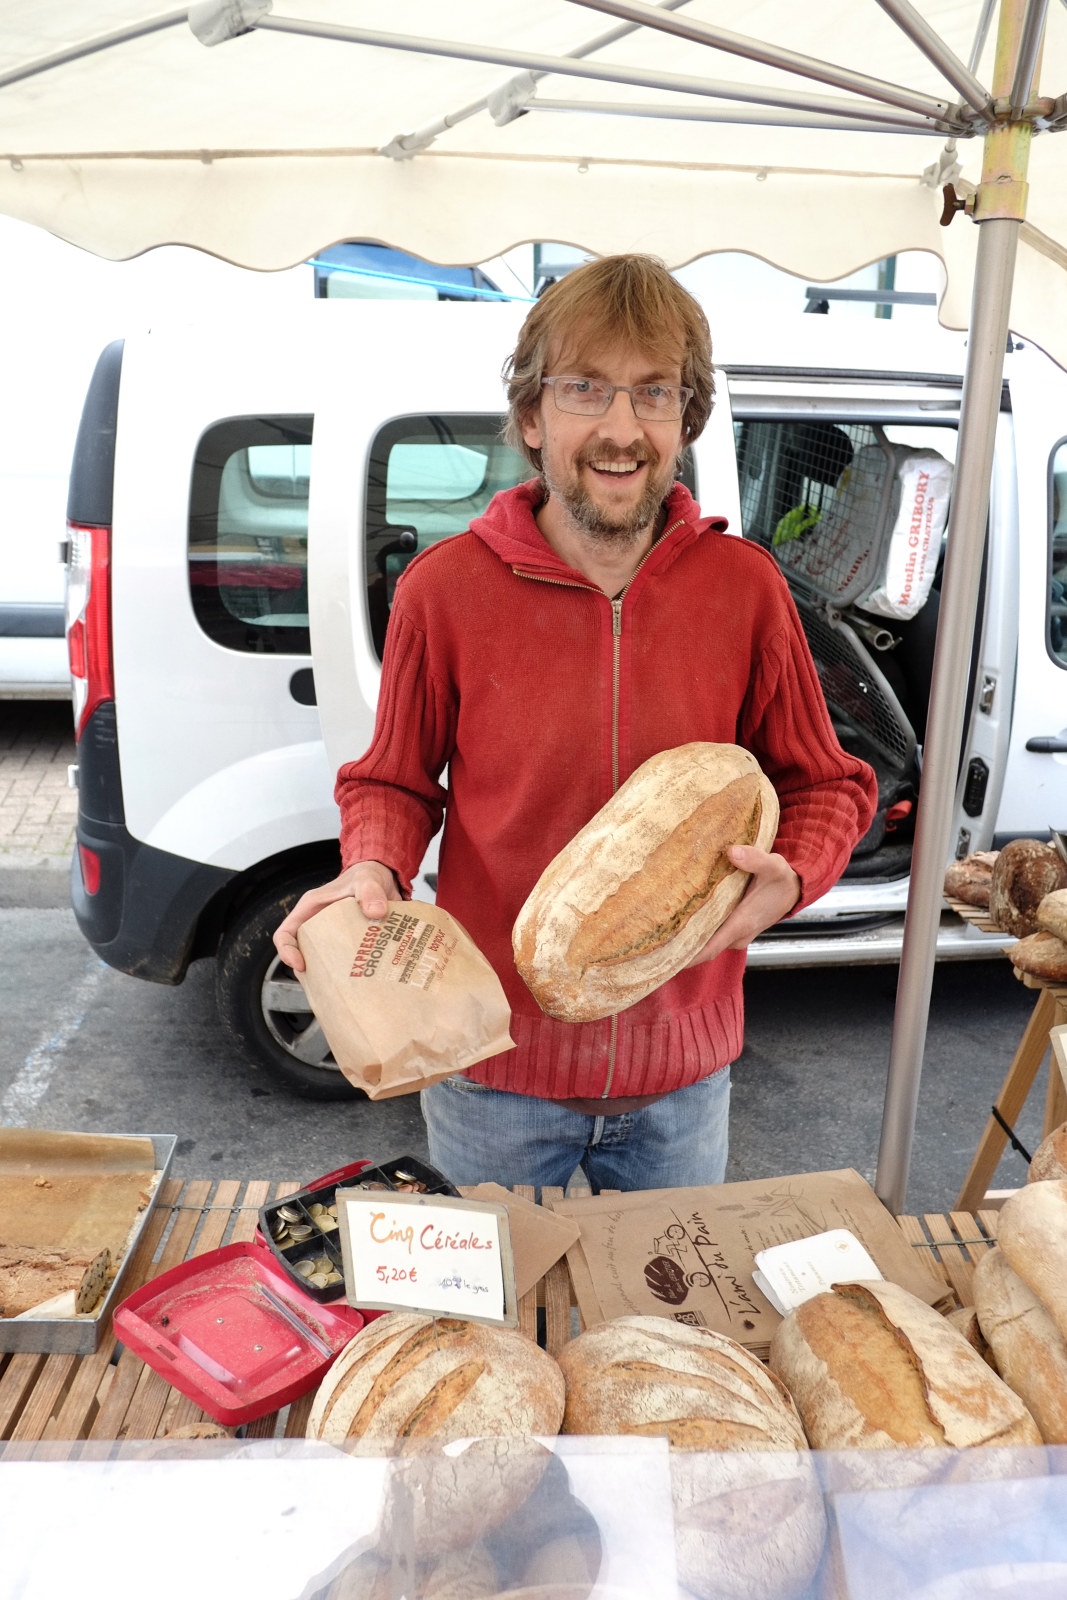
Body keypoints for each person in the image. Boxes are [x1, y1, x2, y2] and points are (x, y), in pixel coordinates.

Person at [274, 254, 877, 1193]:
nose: (620, 428)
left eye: (652, 394)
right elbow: (390, 780)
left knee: (657, 1329)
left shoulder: (744, 588)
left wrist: (793, 873)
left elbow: (827, 784)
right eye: (585, 390)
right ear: (530, 416)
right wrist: (369, 867)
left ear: (685, 420)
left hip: (683, 1084)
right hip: (493, 1079)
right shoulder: (446, 590)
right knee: (500, 1328)